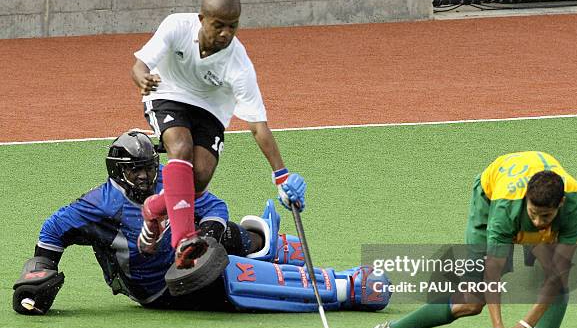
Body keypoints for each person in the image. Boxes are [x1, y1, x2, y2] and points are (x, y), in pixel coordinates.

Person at [13, 132, 389, 315]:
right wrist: (42, 269)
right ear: (118, 172)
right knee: (236, 279)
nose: (147, 178)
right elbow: (52, 230)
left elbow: (212, 203)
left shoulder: (166, 181)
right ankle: (346, 287)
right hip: (159, 290)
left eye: (149, 169)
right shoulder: (96, 206)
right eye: (137, 172)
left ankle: (262, 242)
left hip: (185, 256)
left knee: (218, 230)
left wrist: (208, 236)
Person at [371, 151, 577, 328]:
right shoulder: (505, 210)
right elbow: (491, 274)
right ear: (526, 199)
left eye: (545, 216)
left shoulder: (575, 206)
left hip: (540, 208)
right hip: (489, 199)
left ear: (561, 204)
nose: (538, 222)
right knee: (472, 301)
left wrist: (526, 325)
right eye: (533, 214)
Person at [131, 0, 306, 270]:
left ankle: (153, 210)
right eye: (218, 25)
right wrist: (142, 79)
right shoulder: (177, 26)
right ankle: (184, 241)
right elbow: (139, 65)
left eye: (232, 26)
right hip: (167, 93)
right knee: (181, 148)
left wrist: (281, 177)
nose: (226, 33)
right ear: (202, 19)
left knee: (199, 178)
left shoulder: (238, 63)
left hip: (210, 109)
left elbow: (258, 127)